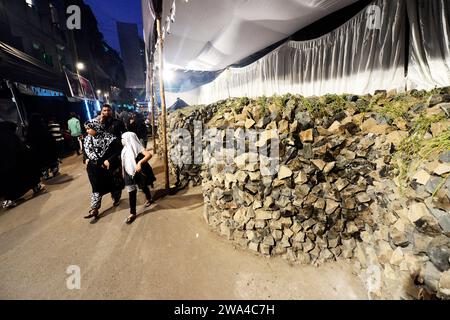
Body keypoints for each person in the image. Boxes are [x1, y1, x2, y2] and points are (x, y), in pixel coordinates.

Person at [83, 120, 124, 220]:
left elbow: (118, 150)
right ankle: (94, 209)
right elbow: (85, 151)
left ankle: (116, 197)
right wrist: (86, 159)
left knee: (113, 184)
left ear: (96, 127)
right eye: (86, 129)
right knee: (96, 187)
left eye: (89, 128)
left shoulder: (109, 138)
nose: (87, 131)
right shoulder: (87, 139)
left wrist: (109, 160)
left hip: (106, 167)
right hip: (93, 168)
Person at [0, 121, 44, 209]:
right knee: (27, 168)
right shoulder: (12, 138)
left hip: (5, 170)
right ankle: (35, 186)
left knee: (8, 182)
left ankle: (8, 199)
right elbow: (21, 151)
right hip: (18, 165)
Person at [121, 132, 156, 224]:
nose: (121, 140)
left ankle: (149, 198)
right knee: (131, 192)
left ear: (128, 139)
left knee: (143, 186)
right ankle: (133, 213)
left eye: (123, 138)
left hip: (137, 172)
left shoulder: (137, 146)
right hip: (128, 173)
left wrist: (139, 163)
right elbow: (124, 162)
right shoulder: (124, 149)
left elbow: (149, 155)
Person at [26, 113, 59, 180]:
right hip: (47, 148)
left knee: (42, 164)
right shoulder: (42, 126)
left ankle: (45, 174)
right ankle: (54, 170)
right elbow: (49, 136)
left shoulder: (30, 128)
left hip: (37, 150)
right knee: (51, 160)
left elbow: (28, 139)